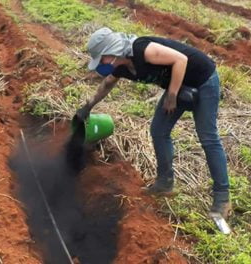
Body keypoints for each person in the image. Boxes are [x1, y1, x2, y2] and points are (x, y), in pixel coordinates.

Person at [76, 27, 231, 219]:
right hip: (180, 84)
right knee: (159, 130)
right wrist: (88, 107)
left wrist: (172, 96)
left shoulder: (142, 50)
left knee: (208, 137)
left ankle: (222, 198)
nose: (102, 64)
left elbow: (181, 60)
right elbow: (107, 83)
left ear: (112, 52)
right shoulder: (123, 67)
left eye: (102, 59)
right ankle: (164, 183)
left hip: (202, 79)